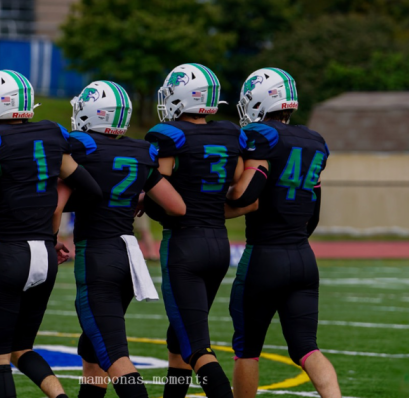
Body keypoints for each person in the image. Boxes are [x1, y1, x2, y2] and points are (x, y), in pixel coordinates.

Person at [0, 70, 102, 398]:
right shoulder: (54, 132)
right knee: (21, 348)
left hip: (9, 254)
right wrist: (48, 220)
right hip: (44, 254)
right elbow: (91, 191)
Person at [56, 80, 186, 398]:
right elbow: (177, 206)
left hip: (97, 256)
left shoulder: (80, 148)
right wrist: (138, 198)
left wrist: (50, 240)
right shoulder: (140, 151)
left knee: (114, 355)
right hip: (128, 257)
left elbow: (56, 204)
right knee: (91, 350)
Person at [227, 68, 341, 398]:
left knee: (247, 348)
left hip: (265, 255)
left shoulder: (261, 136)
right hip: (304, 257)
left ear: (262, 101)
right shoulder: (315, 140)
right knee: (307, 348)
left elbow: (246, 195)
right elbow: (314, 211)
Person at [144, 63, 248, 398]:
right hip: (219, 244)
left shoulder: (168, 135)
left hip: (184, 245)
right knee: (179, 338)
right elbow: (239, 185)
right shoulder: (231, 133)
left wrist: (142, 201)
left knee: (195, 347)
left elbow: (158, 187)